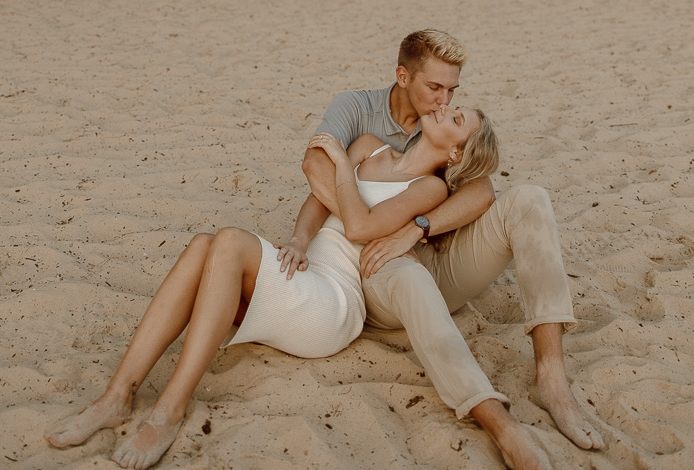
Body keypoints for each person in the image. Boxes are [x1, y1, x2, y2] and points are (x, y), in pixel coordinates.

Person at [45, 99, 496, 470]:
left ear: (456, 154)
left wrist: (341, 164)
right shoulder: (371, 147)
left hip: (335, 302)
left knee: (229, 240)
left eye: (457, 119)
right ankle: (116, 397)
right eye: (452, 106)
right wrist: (299, 239)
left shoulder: (430, 190)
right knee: (204, 244)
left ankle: (169, 409)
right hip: (306, 272)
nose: (446, 108)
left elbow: (359, 228)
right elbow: (319, 203)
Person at [302, 29, 604, 470]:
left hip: (435, 255)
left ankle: (551, 379)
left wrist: (415, 228)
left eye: (452, 91)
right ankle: (497, 421)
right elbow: (315, 165)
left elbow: (482, 192)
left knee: (531, 199)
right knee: (406, 273)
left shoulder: (446, 132)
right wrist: (367, 226)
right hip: (380, 265)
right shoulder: (358, 111)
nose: (444, 100)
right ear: (404, 78)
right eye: (435, 88)